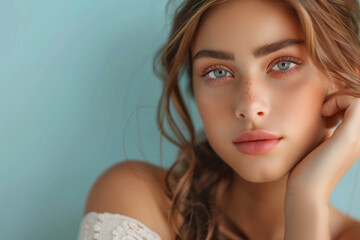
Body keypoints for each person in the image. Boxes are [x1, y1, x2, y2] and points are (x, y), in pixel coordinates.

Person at [77, 0, 360, 239]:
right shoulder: (138, 201)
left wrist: (307, 198)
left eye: (283, 64)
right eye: (218, 73)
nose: (249, 107)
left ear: (346, 78)